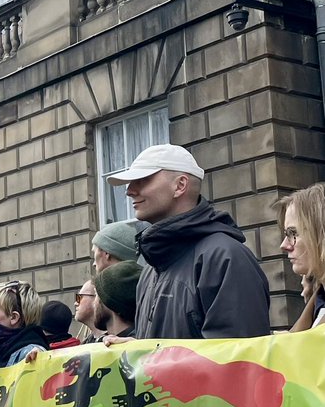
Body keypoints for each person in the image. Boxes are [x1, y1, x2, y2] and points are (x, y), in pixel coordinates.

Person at [108, 144, 270, 338]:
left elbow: (236, 361)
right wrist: (132, 350)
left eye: (142, 180)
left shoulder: (225, 258)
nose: (129, 191)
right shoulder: (151, 268)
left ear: (180, 185)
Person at [274, 183, 325, 330]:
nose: (284, 245)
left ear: (321, 233)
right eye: (286, 234)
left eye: (293, 233)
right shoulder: (317, 302)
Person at [92, 260, 141, 340]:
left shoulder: (134, 347)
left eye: (97, 295)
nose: (93, 303)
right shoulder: (144, 343)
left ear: (109, 301)